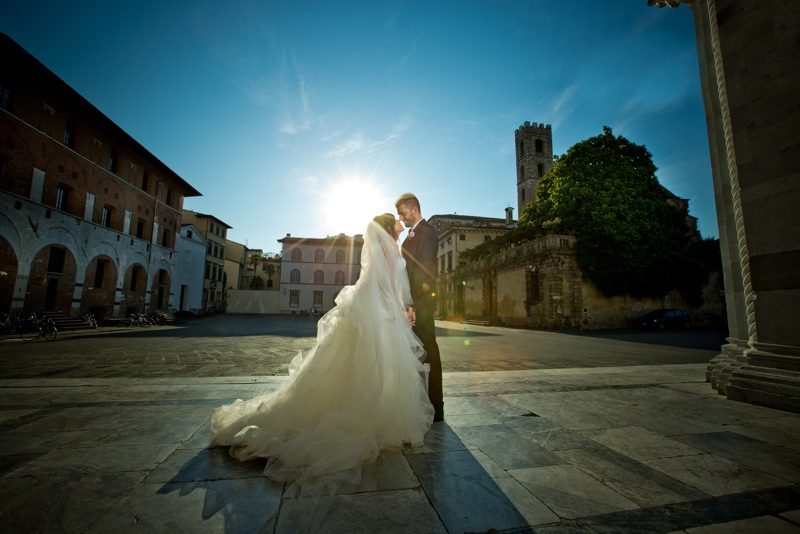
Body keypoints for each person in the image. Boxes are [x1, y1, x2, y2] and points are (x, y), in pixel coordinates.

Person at [209, 213, 433, 529]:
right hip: (380, 310)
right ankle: (371, 411)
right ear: (387, 229)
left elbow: (379, 281)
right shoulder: (392, 250)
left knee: (357, 364)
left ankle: (365, 406)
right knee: (373, 363)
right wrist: (402, 309)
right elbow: (389, 284)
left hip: (371, 307)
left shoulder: (384, 248)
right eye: (395, 221)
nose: (400, 223)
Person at [396, 193, 444, 422]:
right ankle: (423, 403)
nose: (402, 218)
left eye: (403, 213)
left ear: (414, 209)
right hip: (413, 304)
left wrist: (414, 304)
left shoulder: (427, 231)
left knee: (430, 354)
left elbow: (423, 271)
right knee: (419, 355)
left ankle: (437, 407)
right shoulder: (410, 236)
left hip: (422, 304)